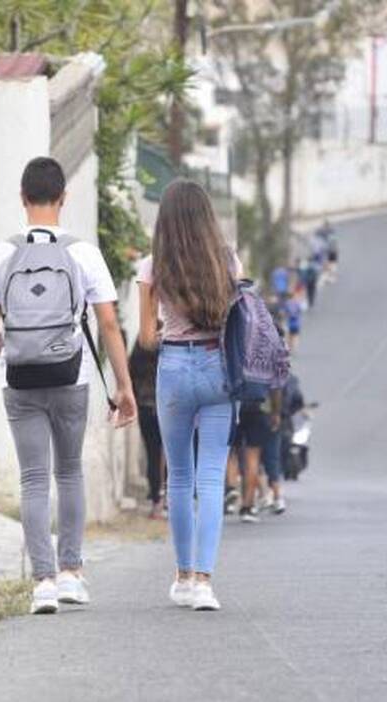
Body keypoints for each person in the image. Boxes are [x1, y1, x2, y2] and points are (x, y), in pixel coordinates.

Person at [0, 157, 137, 615]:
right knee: (68, 472)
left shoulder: (2, 254)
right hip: (73, 377)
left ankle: (43, 583)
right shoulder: (83, 253)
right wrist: (123, 386)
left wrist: (13, 356)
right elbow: (109, 324)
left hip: (19, 382)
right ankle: (71, 573)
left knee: (33, 478)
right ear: (63, 199)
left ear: (23, 198)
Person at [137, 179, 241, 612]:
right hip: (219, 368)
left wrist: (169, 329)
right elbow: (237, 321)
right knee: (211, 476)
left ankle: (181, 577)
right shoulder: (227, 261)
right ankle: (204, 582)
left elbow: (146, 338)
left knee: (178, 477)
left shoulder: (153, 267)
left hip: (175, 369)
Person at [129, 343, 164, 519]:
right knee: (173, 455)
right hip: (168, 406)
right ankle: (167, 499)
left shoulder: (140, 347)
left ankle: (157, 500)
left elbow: (131, 373)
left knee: (152, 454)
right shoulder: (168, 345)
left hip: (146, 406)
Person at [236, 395, 283, 522]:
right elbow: (276, 388)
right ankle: (247, 506)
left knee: (232, 454)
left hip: (235, 408)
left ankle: (230, 490)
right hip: (258, 409)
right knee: (253, 458)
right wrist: (276, 412)